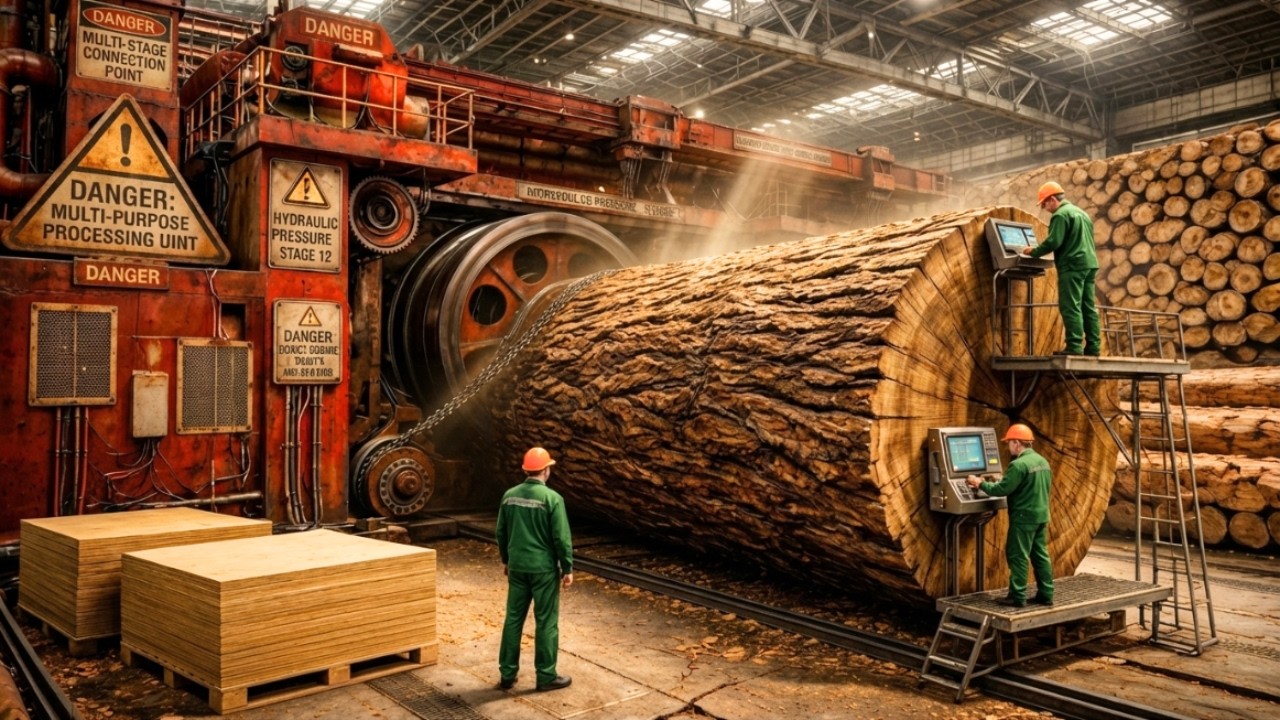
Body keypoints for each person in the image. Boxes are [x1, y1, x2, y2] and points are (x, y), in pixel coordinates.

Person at [496, 446, 574, 691]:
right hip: (543, 571)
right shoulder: (552, 499)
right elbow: (561, 538)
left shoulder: (509, 496)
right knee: (546, 622)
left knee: (513, 620)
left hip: (518, 568)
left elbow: (501, 532)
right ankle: (546, 676)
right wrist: (568, 567)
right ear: (546, 470)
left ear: (525, 470)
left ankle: (507, 675)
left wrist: (506, 559)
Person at [965, 423, 1054, 608]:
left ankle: (1017, 597)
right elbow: (1025, 485)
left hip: (1023, 518)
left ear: (1017, 443)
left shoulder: (1018, 464)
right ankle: (1046, 594)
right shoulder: (1042, 461)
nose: (1008, 446)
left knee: (1018, 556)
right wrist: (1003, 479)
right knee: (1040, 556)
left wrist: (979, 483)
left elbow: (1002, 489)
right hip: (1041, 516)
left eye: (1009, 443)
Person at [1023, 181, 1102, 357]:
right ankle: (1093, 348)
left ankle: (1074, 347)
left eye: (1044, 204)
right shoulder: (1082, 213)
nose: (1044, 208)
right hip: (1089, 265)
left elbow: (1054, 241)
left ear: (1052, 199)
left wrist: (1033, 252)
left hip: (1072, 265)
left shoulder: (1060, 215)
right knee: (1088, 306)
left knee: (1070, 306)